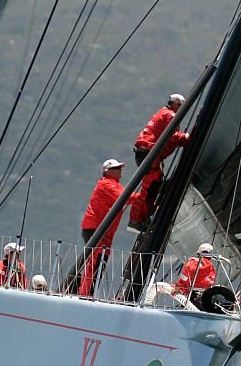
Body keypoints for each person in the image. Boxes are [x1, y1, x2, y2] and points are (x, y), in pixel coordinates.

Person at [130, 94, 189, 232]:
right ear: (175, 104)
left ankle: (140, 219)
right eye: (180, 106)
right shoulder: (170, 115)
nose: (181, 109)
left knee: (152, 185)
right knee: (151, 187)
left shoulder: (161, 112)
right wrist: (187, 137)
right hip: (150, 152)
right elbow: (173, 136)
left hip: (145, 151)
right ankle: (138, 220)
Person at [77, 159, 136, 297]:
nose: (120, 169)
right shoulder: (107, 184)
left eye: (120, 167)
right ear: (107, 171)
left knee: (99, 263)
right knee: (96, 262)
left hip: (103, 231)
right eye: (116, 168)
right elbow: (127, 197)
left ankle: (87, 293)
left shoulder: (113, 184)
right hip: (96, 229)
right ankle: (85, 294)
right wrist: (146, 197)